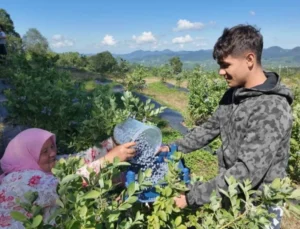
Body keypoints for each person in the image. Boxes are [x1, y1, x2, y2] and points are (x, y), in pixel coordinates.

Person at [161, 24, 293, 228]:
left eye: (226, 65)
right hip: (231, 195)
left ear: (249, 59)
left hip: (258, 206)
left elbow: (246, 172)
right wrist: (172, 148)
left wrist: (192, 197)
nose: (221, 72)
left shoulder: (272, 108)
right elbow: (209, 128)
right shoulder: (232, 95)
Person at [0, 128, 136, 228]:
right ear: (29, 153)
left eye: (52, 146)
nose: (53, 153)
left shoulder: (45, 165)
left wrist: (114, 143)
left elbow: (81, 159)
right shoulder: (20, 179)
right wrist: (108, 160)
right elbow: (68, 184)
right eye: (45, 151)